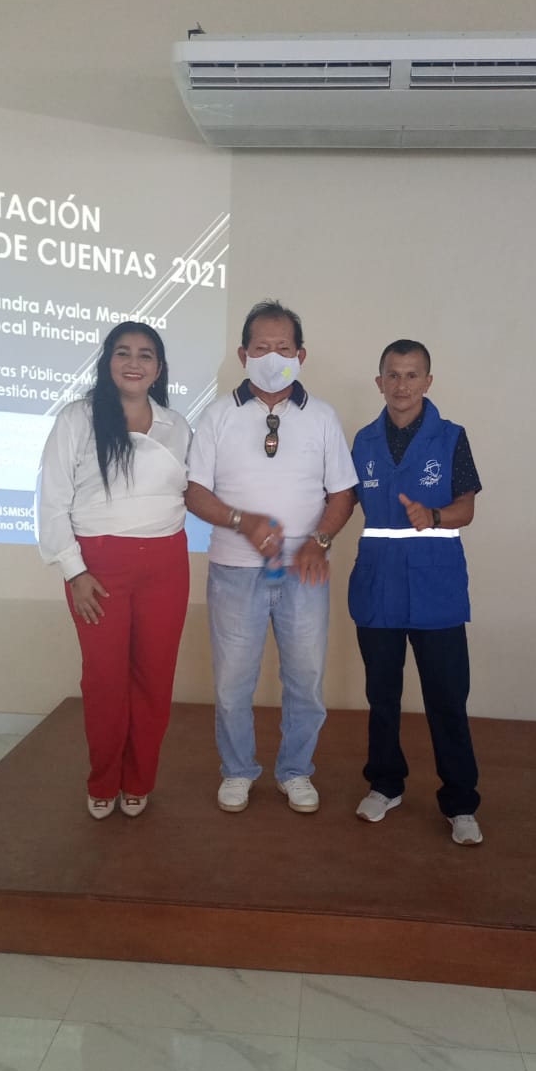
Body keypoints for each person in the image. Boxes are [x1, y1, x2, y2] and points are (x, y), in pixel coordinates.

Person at [185, 299, 357, 814]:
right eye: (262, 348)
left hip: (304, 570)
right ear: (243, 354)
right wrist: (243, 521)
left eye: (283, 348)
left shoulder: (322, 416)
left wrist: (318, 541)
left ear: (301, 355)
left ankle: (296, 771)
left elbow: (343, 494)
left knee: (305, 680)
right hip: (234, 569)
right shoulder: (218, 415)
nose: (273, 357)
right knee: (232, 682)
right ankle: (237, 771)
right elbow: (194, 492)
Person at [36, 321, 191, 820]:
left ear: (158, 369)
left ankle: (138, 779)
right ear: (107, 363)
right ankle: (103, 779)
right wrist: (74, 571)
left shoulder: (177, 426)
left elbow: (190, 492)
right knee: (105, 679)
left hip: (166, 566)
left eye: (146, 355)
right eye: (123, 352)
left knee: (154, 678)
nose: (134, 363)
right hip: (97, 570)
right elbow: (52, 502)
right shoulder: (77, 419)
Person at [348, 338, 483, 846]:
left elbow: (467, 507)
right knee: (382, 696)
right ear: (379, 381)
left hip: (435, 589)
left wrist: (435, 516)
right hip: (378, 587)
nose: (401, 385)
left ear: (428, 381)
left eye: (411, 375)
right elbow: (339, 501)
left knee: (447, 699)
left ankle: (461, 803)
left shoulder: (451, 438)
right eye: (393, 374)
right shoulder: (363, 442)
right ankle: (385, 784)